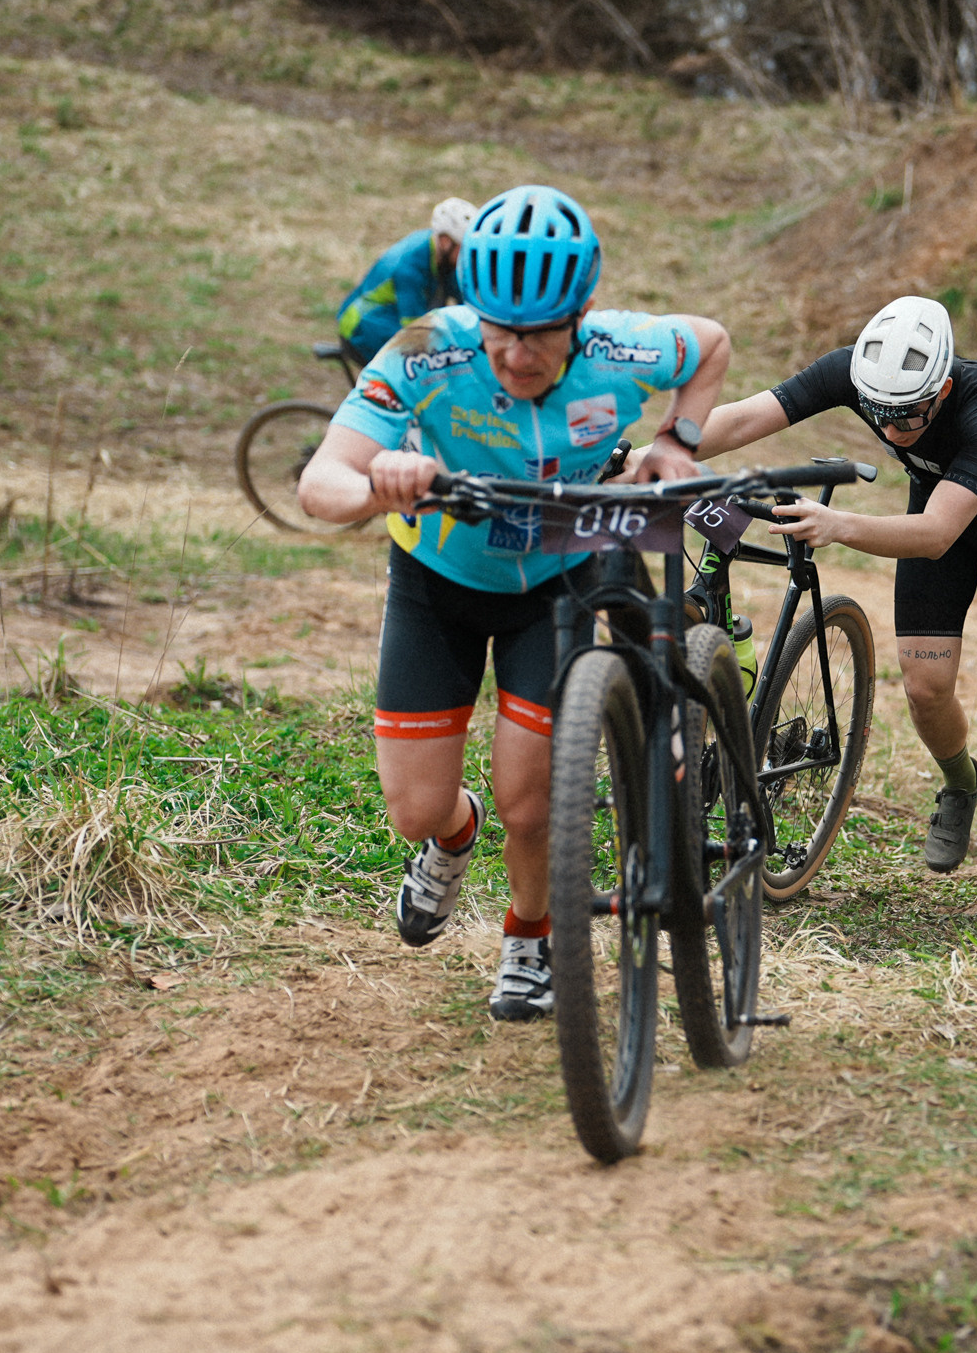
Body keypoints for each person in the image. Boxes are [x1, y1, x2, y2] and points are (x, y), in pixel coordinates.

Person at [298, 185, 730, 1020]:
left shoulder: (623, 348)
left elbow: (710, 344)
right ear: (473, 306)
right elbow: (321, 480)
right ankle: (451, 839)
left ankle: (530, 937)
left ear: (582, 315)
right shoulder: (426, 348)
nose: (516, 353)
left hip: (555, 584)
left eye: (539, 334)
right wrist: (380, 486)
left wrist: (677, 440)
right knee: (415, 810)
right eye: (499, 329)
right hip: (437, 586)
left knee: (530, 805)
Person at [686, 295, 977, 910]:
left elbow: (937, 533)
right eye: (878, 414)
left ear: (942, 391)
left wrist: (838, 525)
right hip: (937, 504)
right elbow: (741, 420)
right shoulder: (854, 373)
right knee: (924, 688)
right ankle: (961, 785)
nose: (889, 432)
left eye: (906, 417)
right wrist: (652, 454)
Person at [333, 196, 475, 364]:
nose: (468, 256)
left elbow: (466, 301)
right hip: (362, 331)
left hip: (388, 322)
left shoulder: (442, 254)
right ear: (445, 242)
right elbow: (417, 331)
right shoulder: (409, 267)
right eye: (464, 248)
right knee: (424, 359)